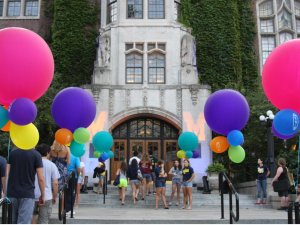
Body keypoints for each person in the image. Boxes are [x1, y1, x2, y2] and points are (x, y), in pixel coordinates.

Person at [6, 147, 45, 224]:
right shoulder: (36, 155)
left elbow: (6, 174)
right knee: (24, 222)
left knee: (11, 221)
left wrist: (5, 192)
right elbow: (41, 178)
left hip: (12, 192)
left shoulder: (12, 153)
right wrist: (43, 194)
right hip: (27, 193)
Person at [33, 144, 60, 224]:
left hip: (31, 195)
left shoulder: (31, 163)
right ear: (48, 152)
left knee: (30, 218)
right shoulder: (52, 165)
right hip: (47, 196)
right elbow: (55, 183)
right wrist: (54, 196)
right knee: (43, 221)